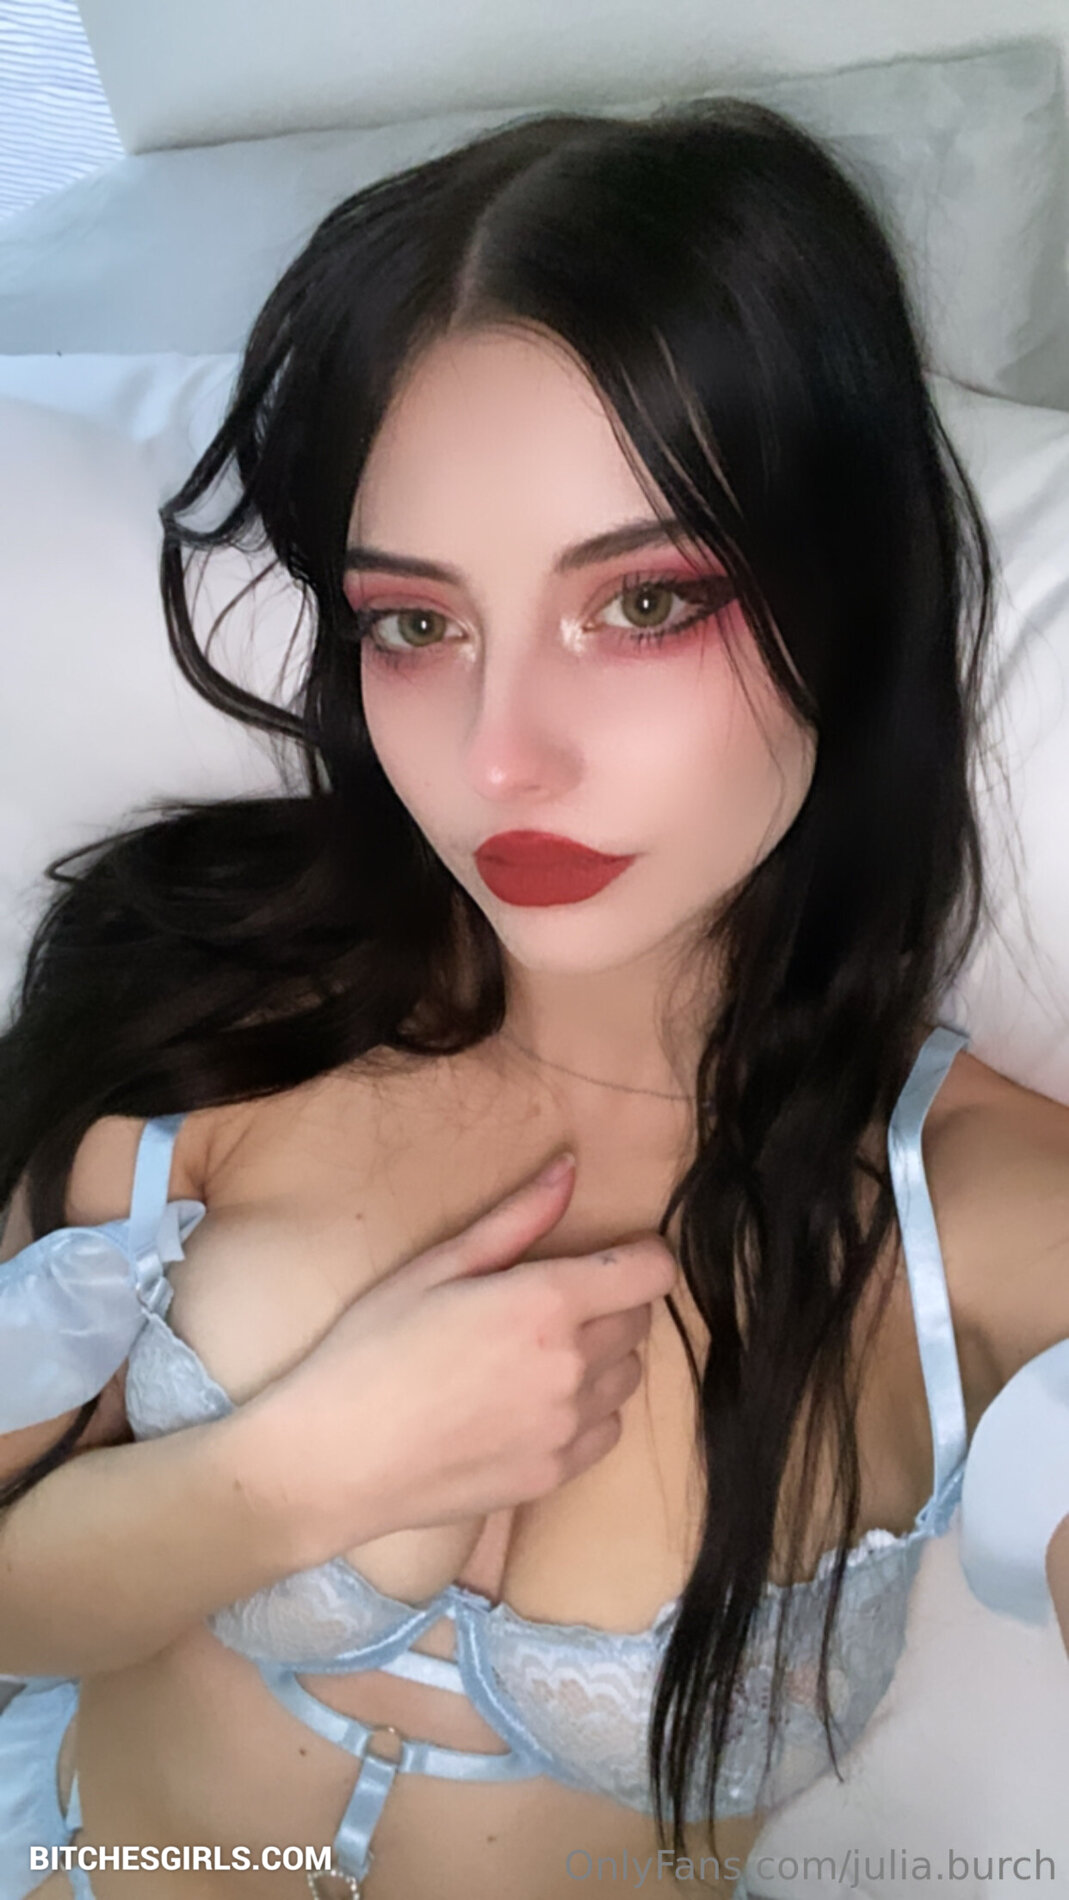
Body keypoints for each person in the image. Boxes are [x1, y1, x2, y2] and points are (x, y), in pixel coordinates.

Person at [0, 98, 1067, 1900]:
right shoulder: (211, 992)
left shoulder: (972, 1213)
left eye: (643, 604)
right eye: (415, 623)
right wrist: (299, 1476)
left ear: (851, 593)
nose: (500, 760)